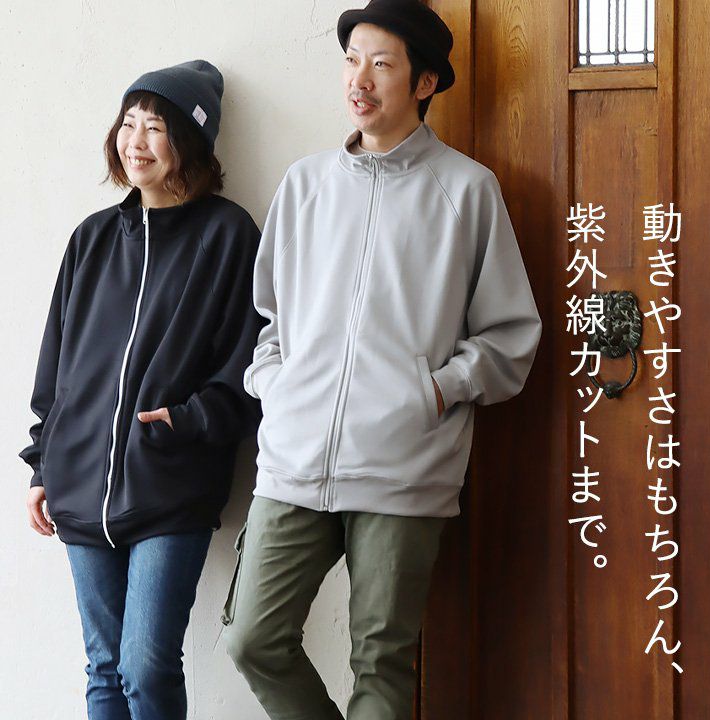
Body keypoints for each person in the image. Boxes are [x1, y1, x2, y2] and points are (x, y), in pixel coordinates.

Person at [221, 1, 543, 718]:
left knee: (381, 664)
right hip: (295, 460)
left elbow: (509, 335)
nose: (359, 79)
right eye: (351, 60)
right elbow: (270, 321)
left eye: (381, 64)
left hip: (403, 468)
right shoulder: (305, 184)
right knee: (251, 640)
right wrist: (278, 385)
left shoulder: (466, 190)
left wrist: (433, 392)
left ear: (424, 83)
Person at [20, 60, 263, 719]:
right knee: (103, 671)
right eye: (128, 124)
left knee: (145, 668)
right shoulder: (93, 238)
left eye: (155, 127)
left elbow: (250, 363)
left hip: (170, 484)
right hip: (78, 485)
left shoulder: (228, 235)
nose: (135, 141)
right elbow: (57, 364)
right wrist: (44, 463)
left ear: (190, 141)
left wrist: (188, 420)